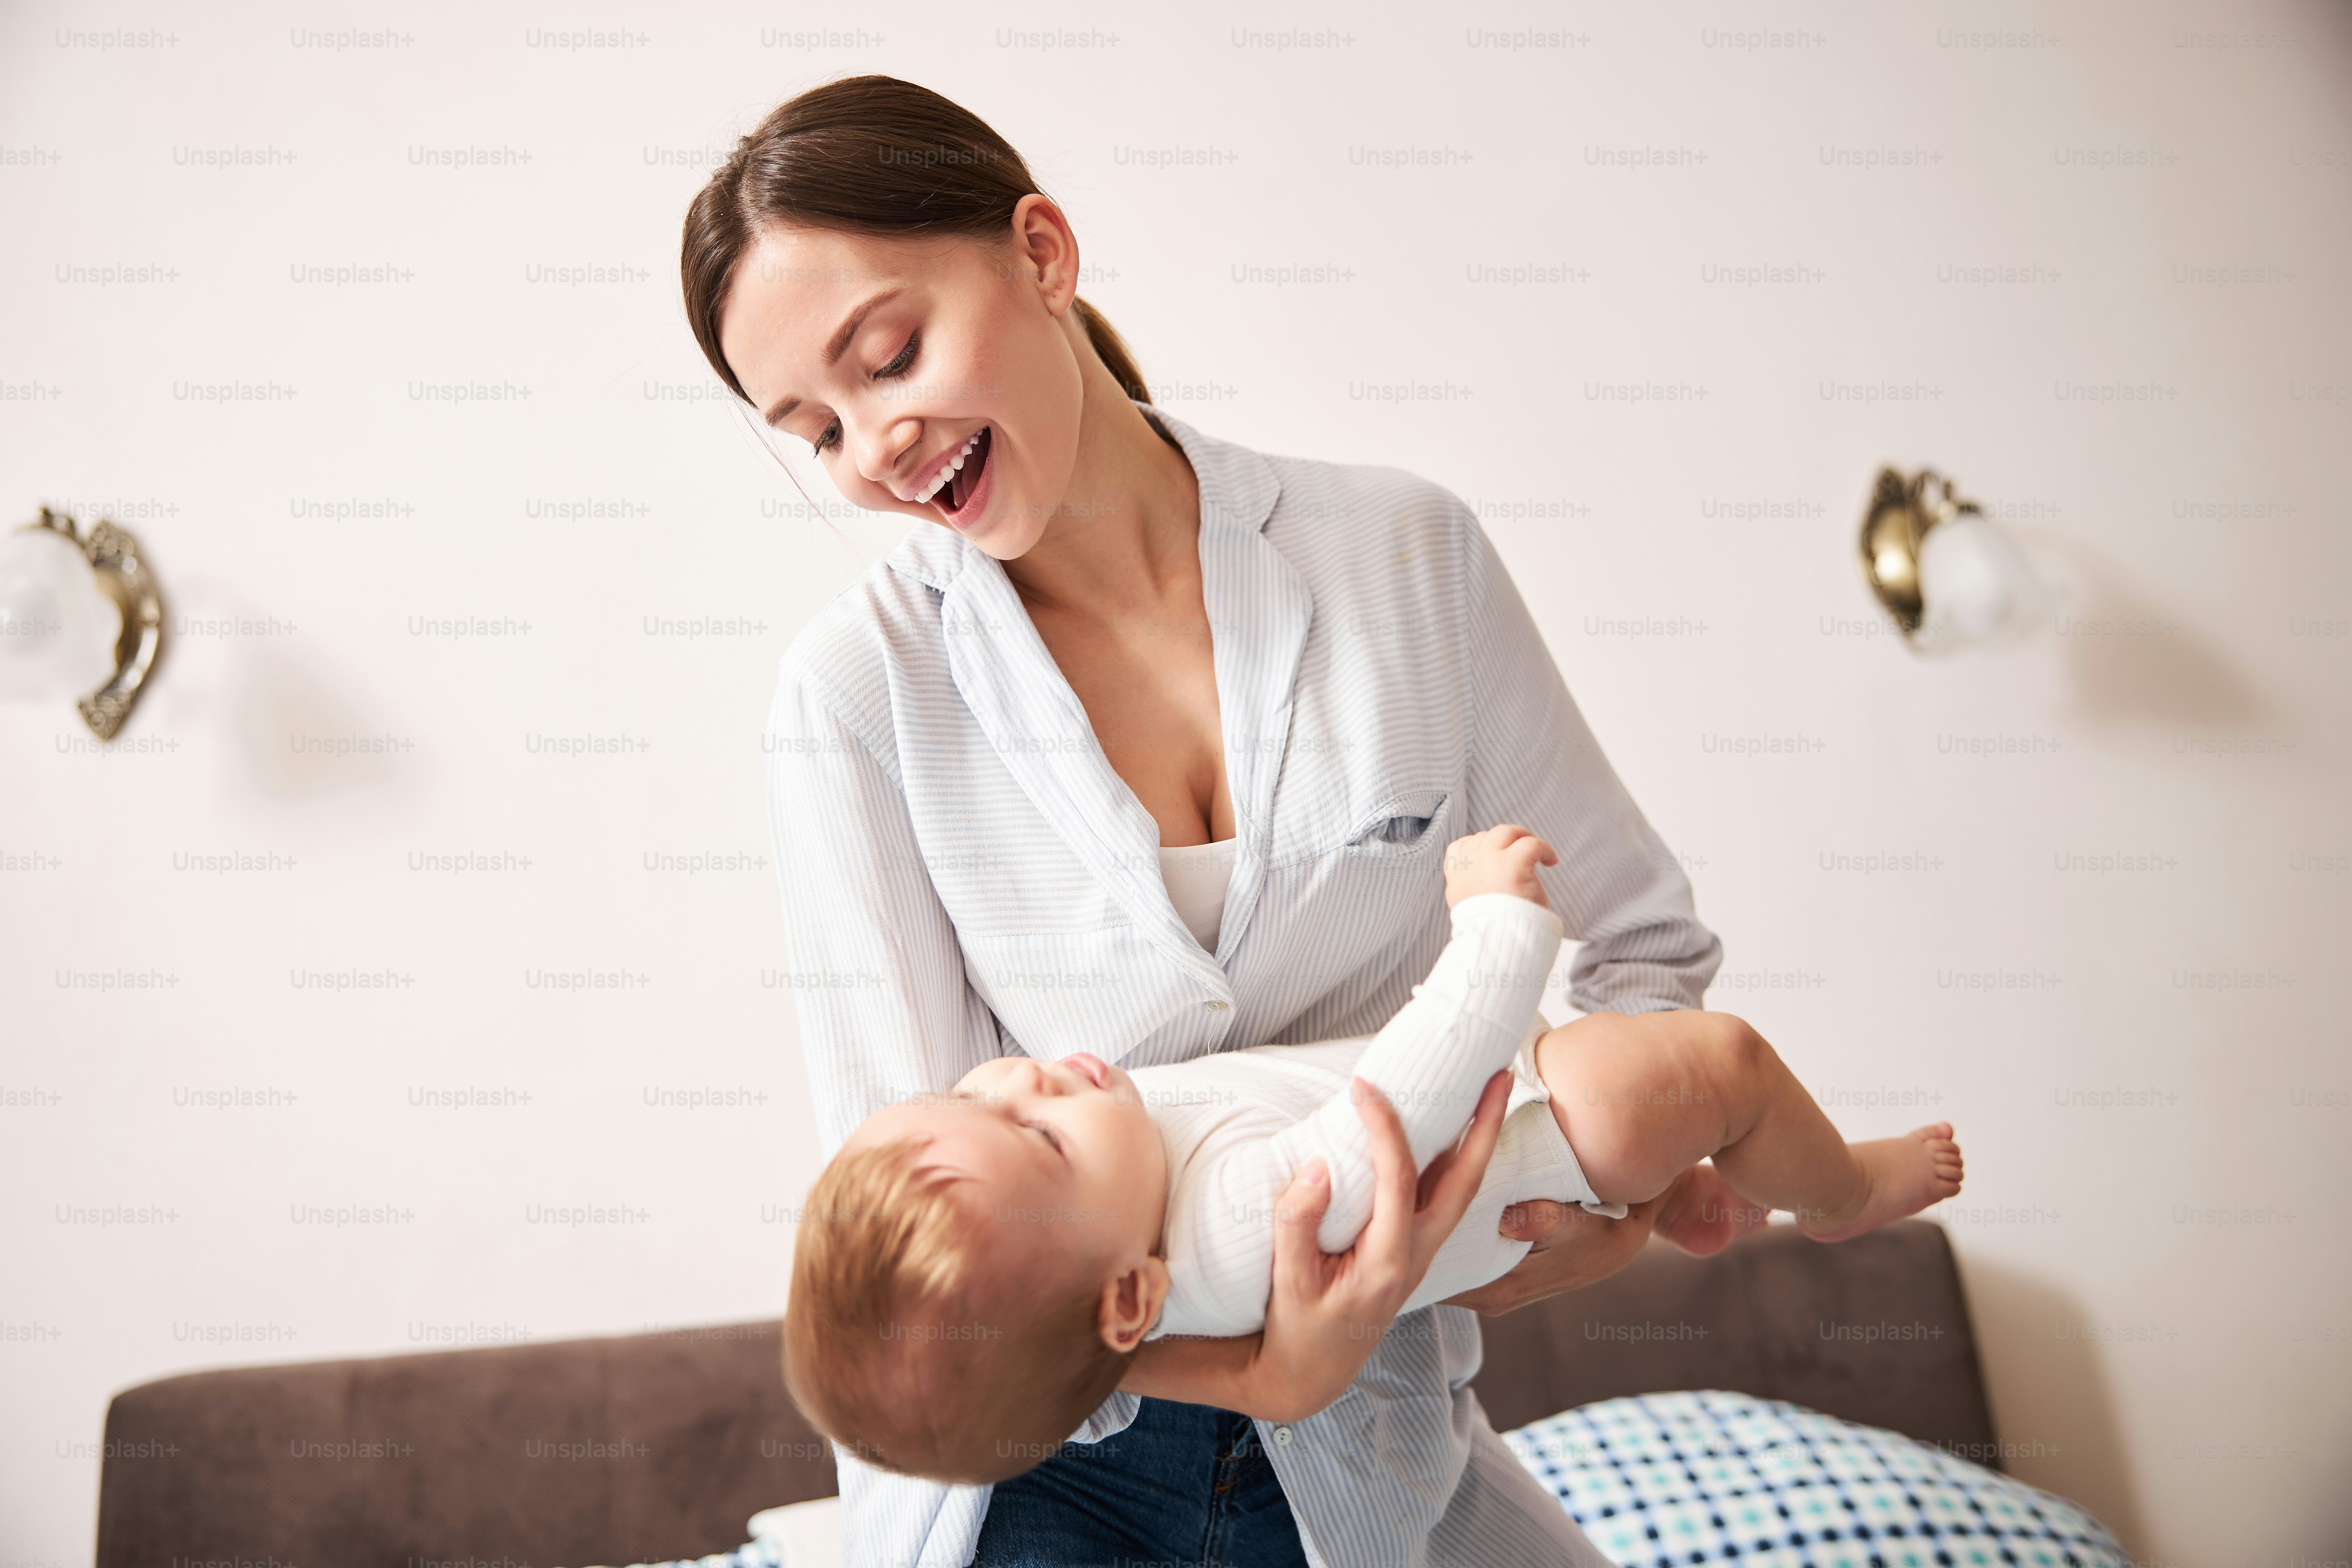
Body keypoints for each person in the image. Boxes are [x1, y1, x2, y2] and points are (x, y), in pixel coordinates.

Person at [686, 74, 1726, 1568]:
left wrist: (1586, 1205)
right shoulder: (857, 692)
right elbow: (906, 1197)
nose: (875, 448)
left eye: (889, 355)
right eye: (815, 429)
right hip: (1050, 1473)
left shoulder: (1402, 555)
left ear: (1043, 251)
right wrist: (1247, 1370)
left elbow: (1645, 946)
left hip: (1383, 1446)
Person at [782, 824, 1963, 1484]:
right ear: (1134, 1296)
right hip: (1547, 1126)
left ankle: (1693, 1200)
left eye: (979, 1093)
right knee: (1727, 1065)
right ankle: (1845, 1195)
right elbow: (1413, 1096)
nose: (1026, 1078)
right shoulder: (1240, 1226)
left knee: (1682, 1109)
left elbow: (1048, 1363)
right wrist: (1496, 929)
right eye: (1037, 1135)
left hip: (1540, 1136)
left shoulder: (1121, 1214)